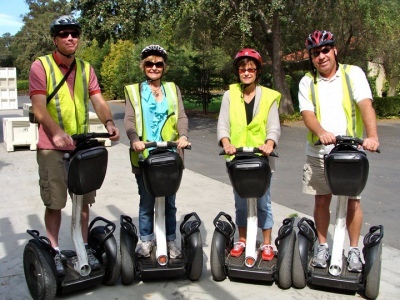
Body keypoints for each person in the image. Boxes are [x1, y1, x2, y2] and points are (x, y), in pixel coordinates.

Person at [29, 15, 120, 276]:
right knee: (55, 202)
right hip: (52, 146)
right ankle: (55, 251)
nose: (70, 38)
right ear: (55, 39)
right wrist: (56, 132)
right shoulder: (41, 66)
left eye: (74, 33)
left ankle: (82, 247)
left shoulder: (85, 68)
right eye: (64, 34)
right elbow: (38, 106)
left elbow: (98, 99)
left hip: (81, 146)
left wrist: (109, 121)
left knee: (83, 204)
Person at [298, 30, 380, 272]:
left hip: (349, 153)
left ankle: (354, 249)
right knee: (322, 200)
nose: (321, 56)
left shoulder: (352, 74)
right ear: (311, 58)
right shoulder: (307, 81)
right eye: (316, 53)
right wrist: (322, 131)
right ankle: (323, 245)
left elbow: (365, 104)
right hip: (319, 151)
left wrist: (372, 136)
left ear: (334, 50)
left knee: (352, 202)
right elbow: (307, 114)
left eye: (325, 50)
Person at [124, 45, 190, 259]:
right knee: (146, 201)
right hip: (145, 155)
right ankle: (146, 240)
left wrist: (183, 136)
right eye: (150, 63)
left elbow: (181, 116)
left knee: (170, 202)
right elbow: (129, 119)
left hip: (170, 155)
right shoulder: (134, 91)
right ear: (143, 66)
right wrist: (134, 140)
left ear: (164, 67)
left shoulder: (172, 88)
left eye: (158, 64)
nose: (154, 67)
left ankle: (170, 240)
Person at [217, 48, 281, 261]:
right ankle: (242, 239)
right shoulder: (229, 95)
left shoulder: (269, 96)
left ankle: (267, 243)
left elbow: (273, 126)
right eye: (242, 69)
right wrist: (226, 143)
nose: (246, 72)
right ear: (237, 72)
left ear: (257, 71)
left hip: (261, 158)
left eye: (251, 69)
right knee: (241, 201)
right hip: (237, 158)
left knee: (264, 202)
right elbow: (223, 124)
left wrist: (270, 143)